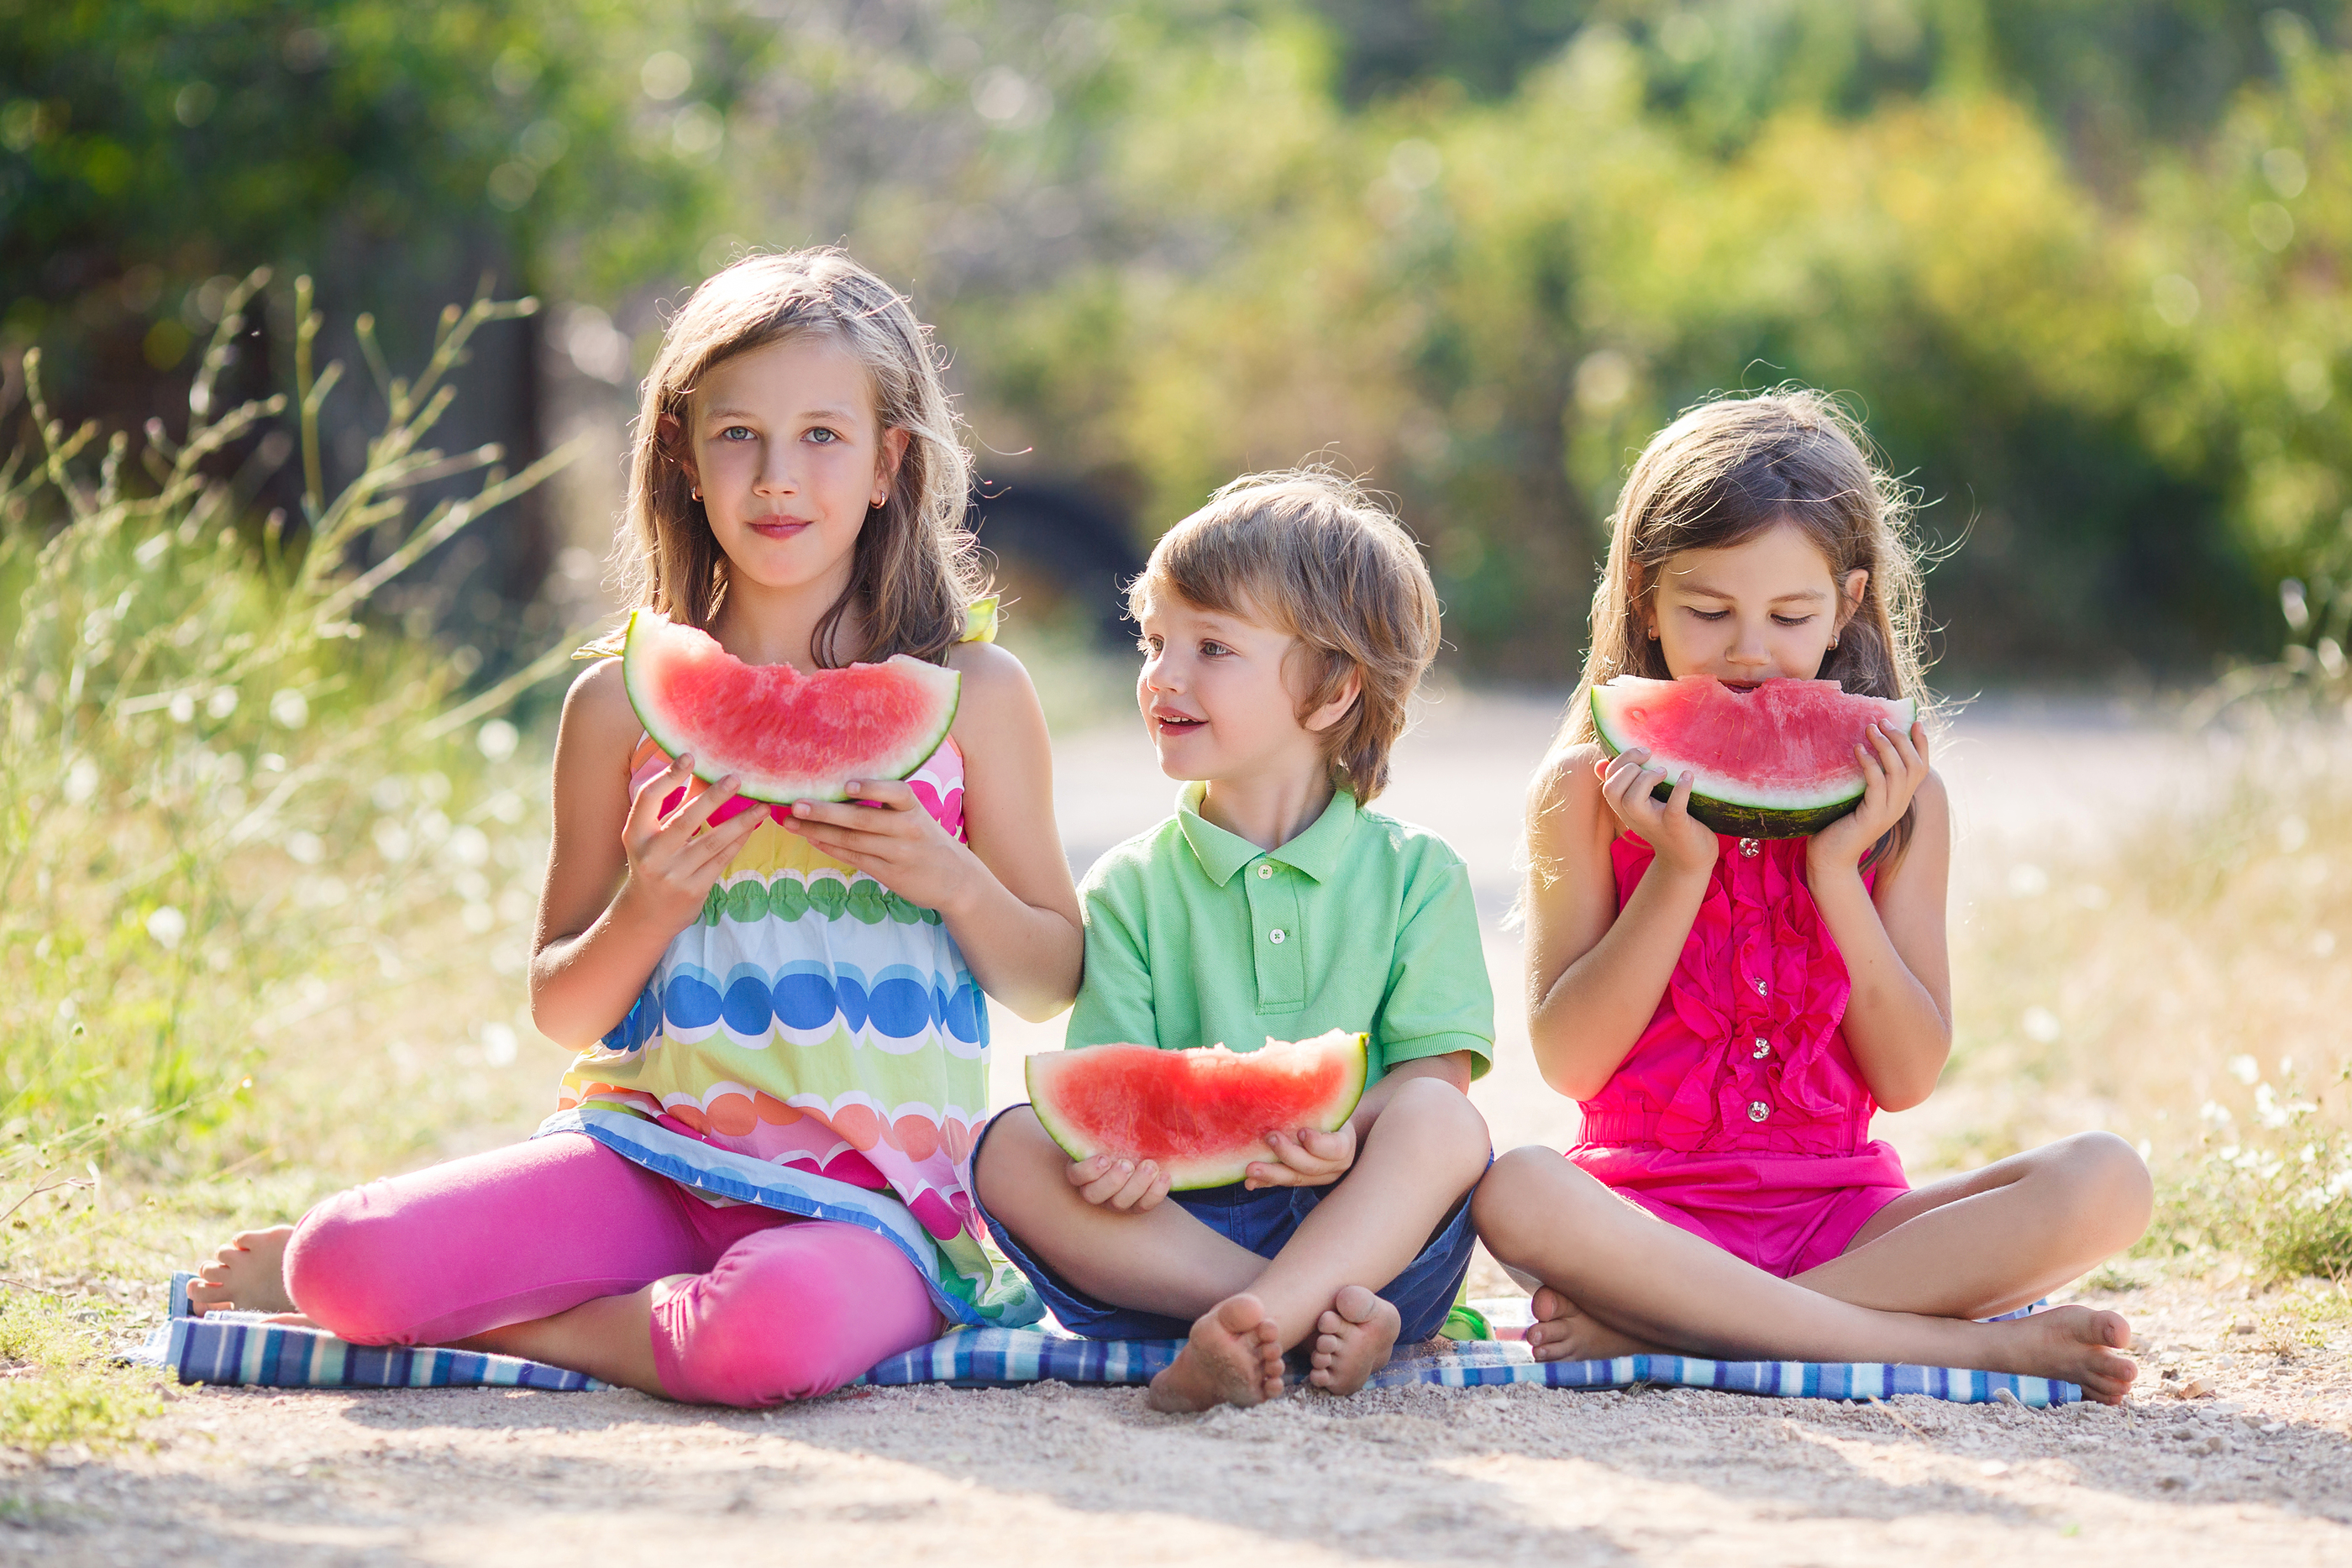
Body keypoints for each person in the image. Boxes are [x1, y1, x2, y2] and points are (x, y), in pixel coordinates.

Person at [186, 249, 1082, 1406]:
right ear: (681, 453)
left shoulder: (976, 694)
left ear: (887, 463)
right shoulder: (615, 703)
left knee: (765, 1336)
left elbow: (1051, 973)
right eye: (736, 435)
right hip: (639, 1157)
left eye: (821, 435)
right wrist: (648, 903)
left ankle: (533, 1330)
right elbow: (562, 1001)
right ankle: (593, 1304)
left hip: (877, 1200)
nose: (775, 476)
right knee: (338, 1261)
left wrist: (952, 880)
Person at [1472, 391, 2152, 1403]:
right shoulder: (1581, 792)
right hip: (1641, 1219)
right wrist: (1678, 870)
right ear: (1645, 601)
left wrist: (1840, 875)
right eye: (1707, 612)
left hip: (1846, 1221)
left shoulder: (1907, 804)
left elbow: (1908, 1073)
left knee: (2108, 1177)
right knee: (1516, 1186)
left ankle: (1701, 1330)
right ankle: (1951, 1349)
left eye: (1789, 616)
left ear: (1845, 605)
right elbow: (1572, 1059)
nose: (1749, 652)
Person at [974, 469, 1496, 1413]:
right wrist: (1121, 1170)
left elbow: (1434, 1080)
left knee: (1441, 1125)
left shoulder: (1419, 874)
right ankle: (1285, 1315)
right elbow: (1110, 1091)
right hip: (1176, 1238)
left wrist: (1347, 1134)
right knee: (1008, 1147)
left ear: (1333, 689)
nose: (1163, 675)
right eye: (1155, 640)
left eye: (1211, 646)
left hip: (1364, 1222)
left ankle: (1258, 1318)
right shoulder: (1129, 887)